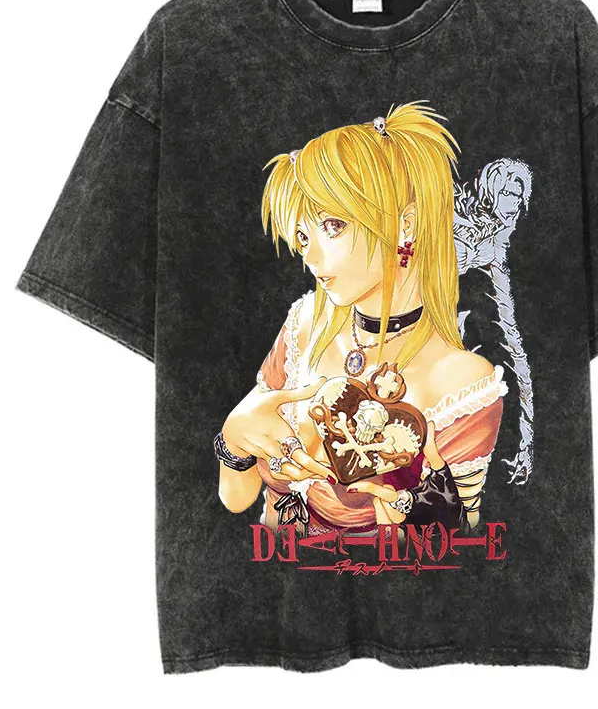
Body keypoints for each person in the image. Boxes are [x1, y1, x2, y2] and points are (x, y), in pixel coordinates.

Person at [216, 101, 508, 535]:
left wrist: (409, 507)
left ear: (406, 224)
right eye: (302, 236)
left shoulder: (462, 383)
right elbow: (236, 499)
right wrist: (233, 442)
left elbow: (461, 542)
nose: (310, 256)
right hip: (271, 572)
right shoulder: (304, 326)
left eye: (333, 225)